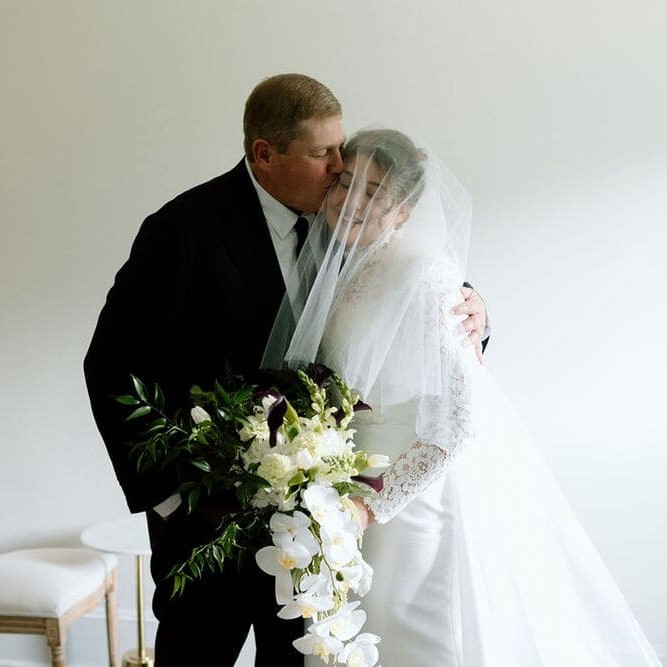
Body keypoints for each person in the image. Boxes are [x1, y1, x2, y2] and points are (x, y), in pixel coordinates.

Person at [83, 75, 489, 666]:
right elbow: (111, 364)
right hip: (207, 521)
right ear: (265, 154)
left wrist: (477, 310)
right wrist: (170, 495)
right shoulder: (182, 230)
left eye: (340, 150)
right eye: (324, 154)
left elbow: (407, 300)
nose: (338, 169)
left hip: (316, 522)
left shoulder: (341, 226)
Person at [263, 128, 661, 666]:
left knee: (404, 629)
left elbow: (459, 420)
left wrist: (373, 505)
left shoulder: (427, 278)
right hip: (340, 487)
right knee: (346, 630)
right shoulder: (334, 268)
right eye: (346, 183)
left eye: (374, 192)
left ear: (403, 211)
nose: (352, 201)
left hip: (407, 497)